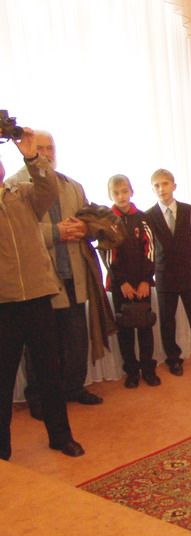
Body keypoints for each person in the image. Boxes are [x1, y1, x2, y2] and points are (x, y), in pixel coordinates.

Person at [1, 128, 85, 459]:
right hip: (4, 304)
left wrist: (31, 155)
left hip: (38, 298)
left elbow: (48, 187)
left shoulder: (21, 194)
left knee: (50, 373)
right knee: (3, 380)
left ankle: (61, 436)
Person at [8, 131, 105, 408]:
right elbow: (16, 232)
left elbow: (89, 219)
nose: (47, 153)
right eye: (40, 148)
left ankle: (74, 387)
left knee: (76, 339)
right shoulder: (13, 186)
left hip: (74, 274)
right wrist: (55, 232)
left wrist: (85, 227)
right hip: (39, 281)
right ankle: (38, 398)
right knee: (40, 345)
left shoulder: (72, 185)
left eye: (50, 148)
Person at [145, 169, 191, 376]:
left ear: (174, 186)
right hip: (164, 276)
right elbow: (148, 249)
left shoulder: (189, 210)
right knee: (167, 321)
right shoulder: (148, 216)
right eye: (157, 185)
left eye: (165, 184)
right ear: (152, 189)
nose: (161, 189)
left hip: (189, 273)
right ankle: (173, 358)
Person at [103, 175, 159, 389]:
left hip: (142, 283)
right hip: (121, 286)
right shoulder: (107, 221)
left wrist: (146, 280)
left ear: (132, 192)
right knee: (125, 329)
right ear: (110, 195)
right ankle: (132, 371)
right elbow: (108, 255)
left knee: (145, 327)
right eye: (116, 193)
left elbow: (150, 250)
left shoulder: (143, 219)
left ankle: (148, 369)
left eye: (125, 191)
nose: (121, 196)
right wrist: (122, 283)